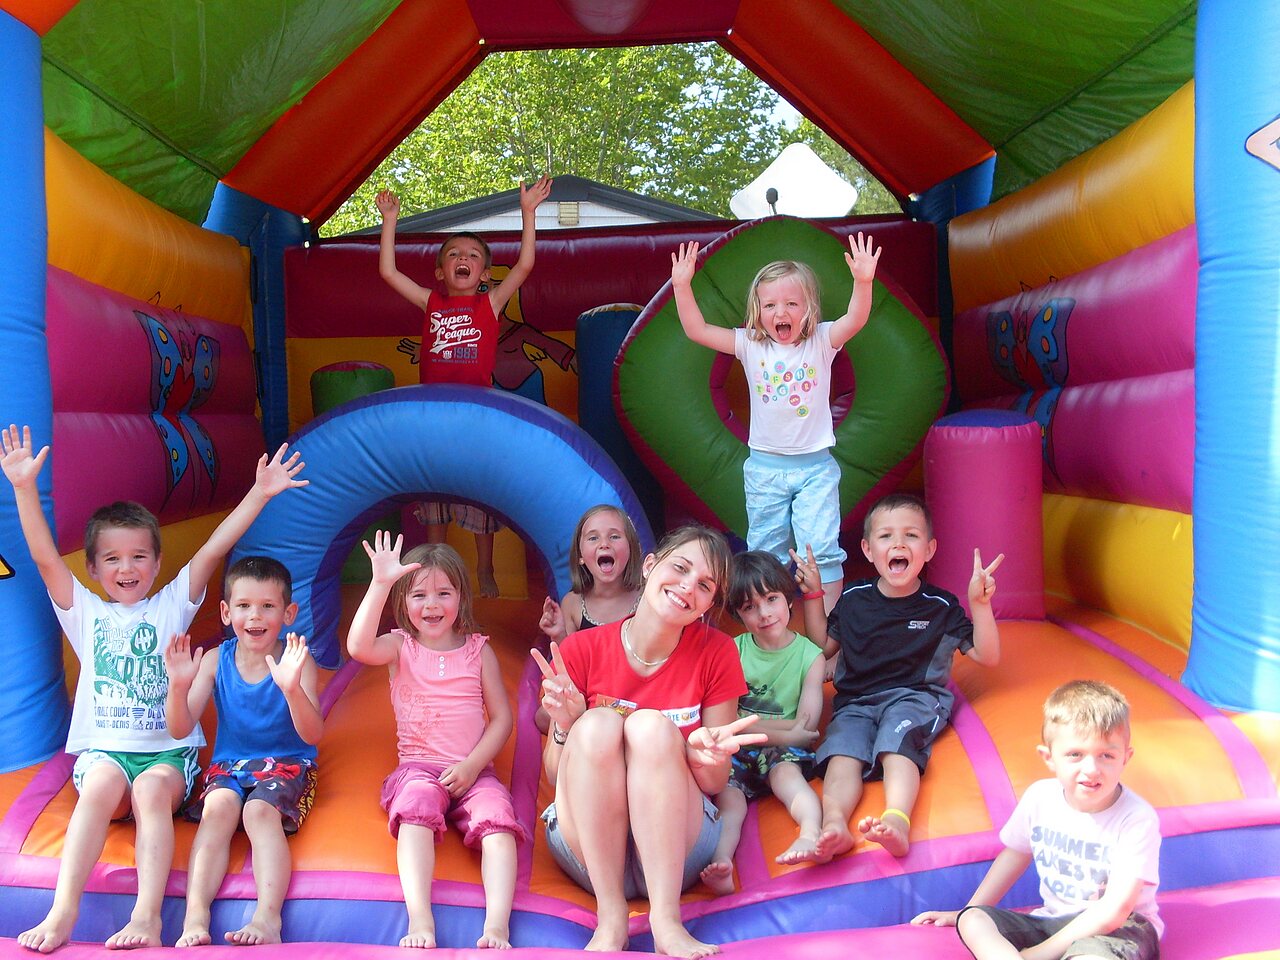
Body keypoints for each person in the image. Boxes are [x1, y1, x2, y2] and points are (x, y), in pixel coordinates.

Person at [0, 424, 307, 953]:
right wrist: (25, 488)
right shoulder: (84, 613)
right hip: (104, 754)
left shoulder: (170, 606)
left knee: (148, 791)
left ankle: (147, 916)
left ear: (158, 563)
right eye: (113, 559)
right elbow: (47, 558)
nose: (127, 567)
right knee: (98, 786)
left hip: (167, 759)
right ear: (93, 568)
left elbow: (214, 549)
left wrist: (259, 492)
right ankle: (62, 910)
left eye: (139, 556)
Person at [531, 525, 765, 959]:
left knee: (650, 728)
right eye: (680, 568)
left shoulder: (716, 652)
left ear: (709, 603)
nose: (686, 588)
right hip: (592, 851)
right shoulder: (583, 648)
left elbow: (714, 782)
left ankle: (665, 921)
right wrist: (566, 724)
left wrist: (702, 755)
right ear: (651, 564)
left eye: (704, 585)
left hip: (676, 849)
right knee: (598, 723)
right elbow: (551, 773)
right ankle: (611, 918)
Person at [670, 233, 881, 612]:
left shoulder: (820, 340)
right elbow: (696, 330)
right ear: (757, 311)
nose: (780, 313)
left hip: (815, 467)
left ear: (809, 308)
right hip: (765, 468)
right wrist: (682, 285)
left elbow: (855, 319)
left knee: (822, 552)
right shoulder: (750, 344)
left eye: (791, 303)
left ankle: (828, 634)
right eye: (770, 305)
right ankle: (768, 626)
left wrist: (863, 282)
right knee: (766, 551)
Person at [793, 492, 1003, 861]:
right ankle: (834, 825)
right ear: (868, 549)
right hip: (855, 703)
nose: (898, 543)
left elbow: (987, 655)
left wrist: (980, 605)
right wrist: (813, 596)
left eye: (911, 535)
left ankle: (898, 820)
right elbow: (823, 646)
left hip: (915, 697)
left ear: (930, 548)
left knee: (896, 741)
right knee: (841, 753)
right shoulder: (855, 597)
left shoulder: (940, 606)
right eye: (886, 536)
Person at [377, 177, 552, 598]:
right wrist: (390, 221)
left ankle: (485, 569)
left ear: (484, 274)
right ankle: (436, 569)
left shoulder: (488, 303)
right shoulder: (431, 301)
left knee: (476, 499)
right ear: (441, 271)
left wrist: (528, 213)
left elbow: (525, 266)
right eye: (453, 254)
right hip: (435, 415)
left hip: (476, 414)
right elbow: (387, 271)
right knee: (435, 499)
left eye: (473, 255)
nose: (463, 258)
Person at [347, 533, 524, 950]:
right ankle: (420, 918)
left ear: (461, 598)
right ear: (404, 603)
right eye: (419, 595)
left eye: (443, 593)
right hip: (418, 768)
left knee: (498, 822)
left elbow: (501, 718)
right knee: (415, 811)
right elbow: (357, 647)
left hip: (473, 770)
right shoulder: (399, 647)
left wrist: (472, 766)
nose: (431, 605)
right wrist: (379, 584)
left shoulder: (479, 652)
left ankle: (497, 925)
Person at [912, 680, 1162, 960]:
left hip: (1118, 929)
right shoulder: (1040, 798)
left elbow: (1113, 911)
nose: (1091, 770)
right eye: (1075, 755)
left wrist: (1035, 955)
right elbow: (1015, 854)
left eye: (1107, 755)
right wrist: (967, 910)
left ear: (1125, 758)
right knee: (974, 921)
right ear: (1049, 757)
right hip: (1052, 921)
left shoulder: (1136, 818)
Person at [164, 557, 323, 948]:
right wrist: (178, 687)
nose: (255, 616)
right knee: (217, 810)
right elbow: (180, 727)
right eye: (244, 606)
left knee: (257, 811)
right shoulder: (217, 660)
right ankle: (195, 916)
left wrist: (291, 689)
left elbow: (313, 731)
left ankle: (268, 918)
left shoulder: (297, 661)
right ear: (225, 611)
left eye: (268, 606)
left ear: (288, 613)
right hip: (229, 765)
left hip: (289, 762)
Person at [700, 551, 825, 896]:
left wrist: (752, 728)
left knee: (787, 777)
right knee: (729, 798)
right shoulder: (733, 651)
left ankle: (811, 831)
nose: (765, 613)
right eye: (750, 607)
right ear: (738, 615)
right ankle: (722, 862)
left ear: (788, 598)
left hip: (780, 751)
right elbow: (724, 721)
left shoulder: (808, 656)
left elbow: (807, 726)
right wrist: (783, 731)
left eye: (771, 599)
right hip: (740, 749)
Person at [538, 504, 644, 643]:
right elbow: (567, 660)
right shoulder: (572, 603)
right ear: (580, 556)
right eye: (593, 538)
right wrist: (559, 634)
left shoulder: (647, 597)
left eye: (614, 536)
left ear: (631, 549)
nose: (604, 543)